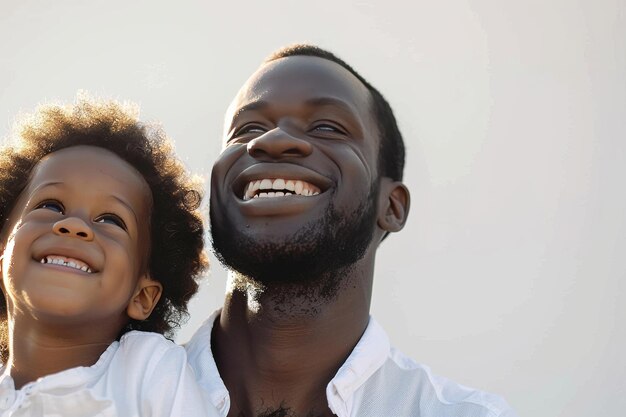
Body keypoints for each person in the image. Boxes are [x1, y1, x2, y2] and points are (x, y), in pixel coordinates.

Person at [186, 44, 518, 417]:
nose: (273, 141)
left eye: (327, 127)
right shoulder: (115, 394)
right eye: (247, 129)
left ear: (391, 207)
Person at [0, 97, 218, 416]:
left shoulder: (148, 370)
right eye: (50, 206)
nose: (73, 225)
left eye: (111, 220)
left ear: (142, 296)